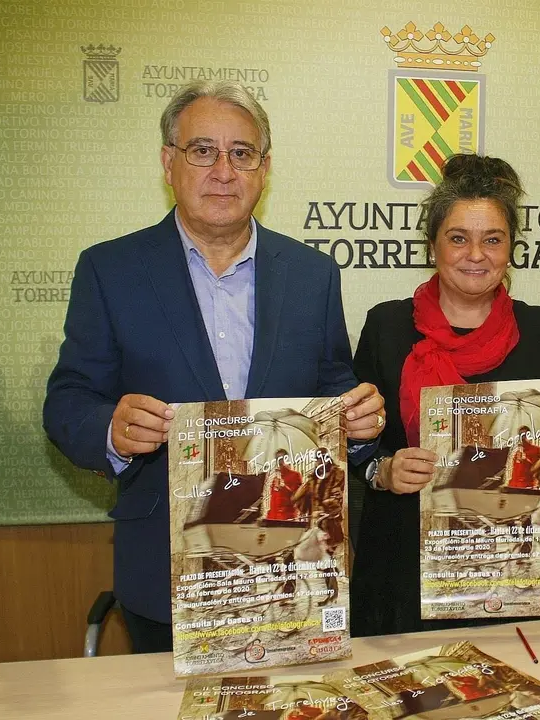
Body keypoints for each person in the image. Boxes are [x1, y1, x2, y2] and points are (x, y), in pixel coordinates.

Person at [43, 80, 385, 653]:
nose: (223, 171)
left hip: (291, 561)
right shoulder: (111, 270)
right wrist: (111, 428)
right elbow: (68, 401)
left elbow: (333, 388)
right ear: (168, 163)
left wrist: (359, 422)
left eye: (241, 153)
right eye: (202, 150)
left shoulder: (312, 274)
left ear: (264, 168)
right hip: (168, 567)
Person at [348, 153, 540, 636]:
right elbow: (353, 446)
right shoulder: (386, 327)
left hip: (514, 573)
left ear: (511, 248)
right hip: (402, 576)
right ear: (432, 245)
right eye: (458, 238)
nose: (476, 254)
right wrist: (383, 470)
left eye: (492, 239)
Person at [264, 449, 304, 521]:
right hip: (274, 519)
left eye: (282, 459)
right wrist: (269, 517)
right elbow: (273, 501)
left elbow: (297, 498)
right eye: (277, 459)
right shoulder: (275, 479)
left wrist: (284, 488)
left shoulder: (295, 475)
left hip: (288, 518)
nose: (280, 462)